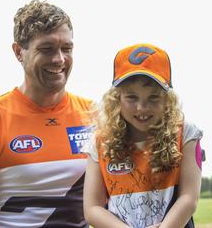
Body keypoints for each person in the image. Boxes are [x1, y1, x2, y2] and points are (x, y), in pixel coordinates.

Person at [0, 0, 94, 228]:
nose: (59, 59)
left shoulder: (96, 117)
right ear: (19, 52)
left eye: (67, 48)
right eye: (46, 49)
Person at [83, 43, 203, 228]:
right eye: (131, 97)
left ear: (167, 99)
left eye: (153, 97)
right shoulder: (99, 142)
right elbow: (92, 209)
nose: (141, 107)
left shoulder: (186, 134)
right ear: (117, 99)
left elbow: (189, 198)